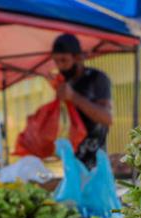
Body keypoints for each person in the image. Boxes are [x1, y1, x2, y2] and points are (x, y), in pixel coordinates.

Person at [51, 33, 112, 169]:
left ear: (78, 57)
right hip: (73, 162)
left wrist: (73, 97)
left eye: (64, 60)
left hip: (95, 162)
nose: (60, 66)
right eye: (56, 61)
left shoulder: (97, 78)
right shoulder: (65, 83)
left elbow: (107, 118)